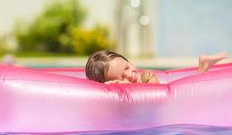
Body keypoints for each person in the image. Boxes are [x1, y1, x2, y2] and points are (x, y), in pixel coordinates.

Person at [85, 50, 228, 84]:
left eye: (127, 67)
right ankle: (203, 68)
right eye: (121, 77)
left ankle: (203, 68)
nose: (129, 74)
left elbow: (158, 101)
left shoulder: (146, 77)